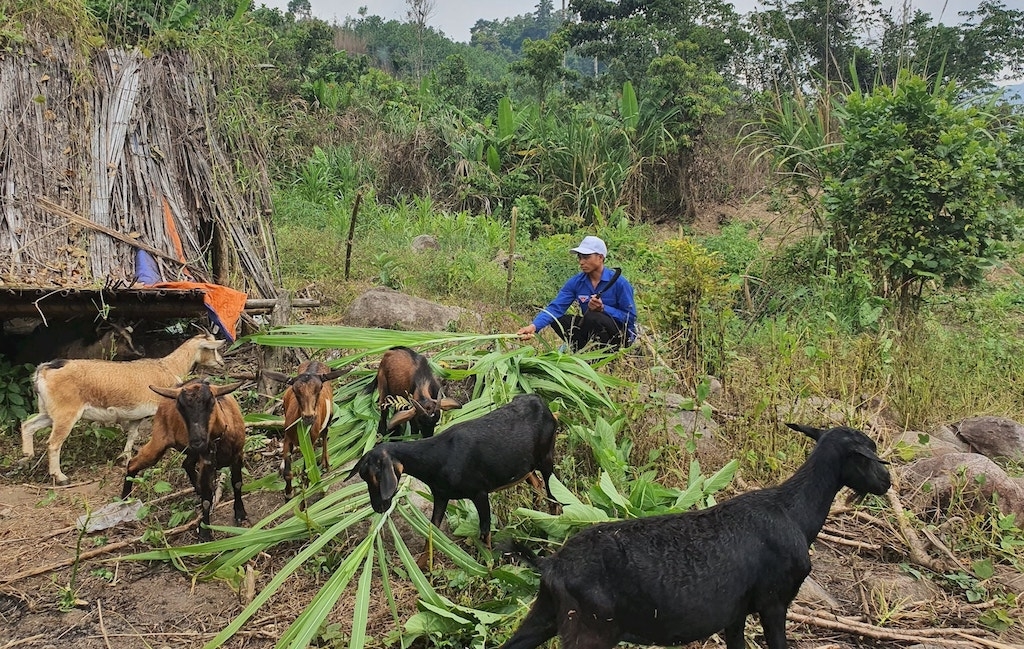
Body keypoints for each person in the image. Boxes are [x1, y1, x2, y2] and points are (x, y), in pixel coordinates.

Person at [517, 236, 637, 352]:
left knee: (594, 316)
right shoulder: (576, 282)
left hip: (619, 334)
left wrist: (604, 309)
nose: (581, 262)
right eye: (579, 258)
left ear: (600, 257)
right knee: (557, 319)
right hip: (591, 328)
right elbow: (555, 308)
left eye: (586, 257)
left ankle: (608, 352)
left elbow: (630, 318)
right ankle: (581, 350)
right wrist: (534, 327)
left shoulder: (619, 283)